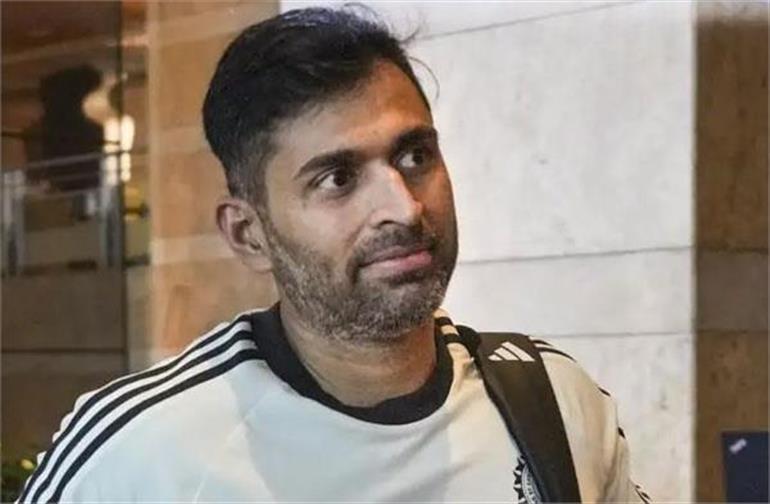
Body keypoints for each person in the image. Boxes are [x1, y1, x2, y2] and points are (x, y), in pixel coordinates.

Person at [18, 7, 650, 503]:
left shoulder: (551, 401)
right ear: (248, 234)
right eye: (337, 179)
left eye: (415, 156)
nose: (403, 207)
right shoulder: (139, 456)